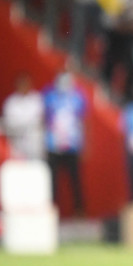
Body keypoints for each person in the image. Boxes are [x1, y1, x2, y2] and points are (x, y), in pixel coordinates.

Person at [44, 68, 88, 215]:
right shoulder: (49, 96)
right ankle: (52, 210)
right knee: (52, 181)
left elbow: (82, 122)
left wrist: (84, 144)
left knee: (75, 181)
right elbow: (44, 121)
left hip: (72, 145)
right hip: (53, 145)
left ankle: (79, 210)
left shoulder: (77, 97)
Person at [1, 73, 46, 161]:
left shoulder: (36, 100)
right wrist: (26, 124)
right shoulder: (11, 102)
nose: (23, 86)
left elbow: (38, 120)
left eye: (25, 83)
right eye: (21, 84)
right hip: (17, 143)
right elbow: (10, 123)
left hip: (34, 143)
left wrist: (24, 123)